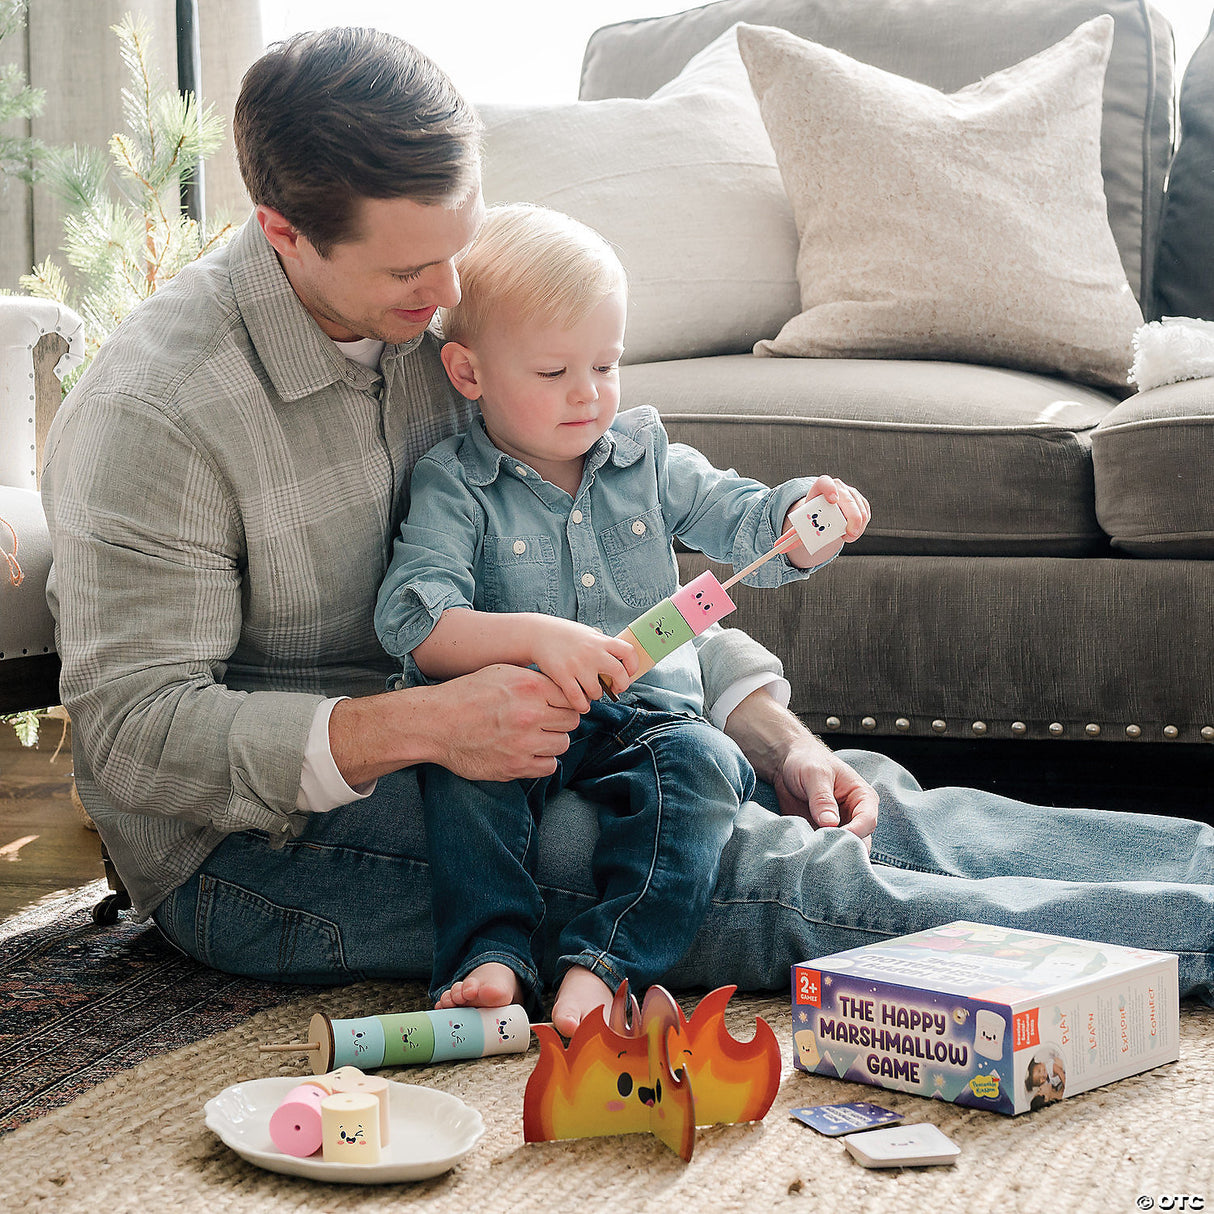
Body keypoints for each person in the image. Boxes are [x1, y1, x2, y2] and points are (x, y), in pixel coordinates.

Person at [40, 27, 1214, 1011]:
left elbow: (606, 558)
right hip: (264, 844)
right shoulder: (159, 413)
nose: (449, 295)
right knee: (757, 872)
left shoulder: (445, 330)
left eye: (460, 244)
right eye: (413, 271)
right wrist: (420, 726)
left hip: (532, 734)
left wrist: (776, 737)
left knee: (844, 801)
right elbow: (136, 736)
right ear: (281, 230)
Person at [372, 204, 870, 1033]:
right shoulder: (454, 483)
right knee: (461, 780)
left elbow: (742, 519)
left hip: (644, 712)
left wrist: (802, 517)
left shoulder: (644, 459)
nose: (587, 394)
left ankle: (605, 967)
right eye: (553, 372)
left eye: (606, 364)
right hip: (515, 709)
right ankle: (488, 956)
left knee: (706, 767)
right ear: (469, 374)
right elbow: (416, 621)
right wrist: (533, 639)